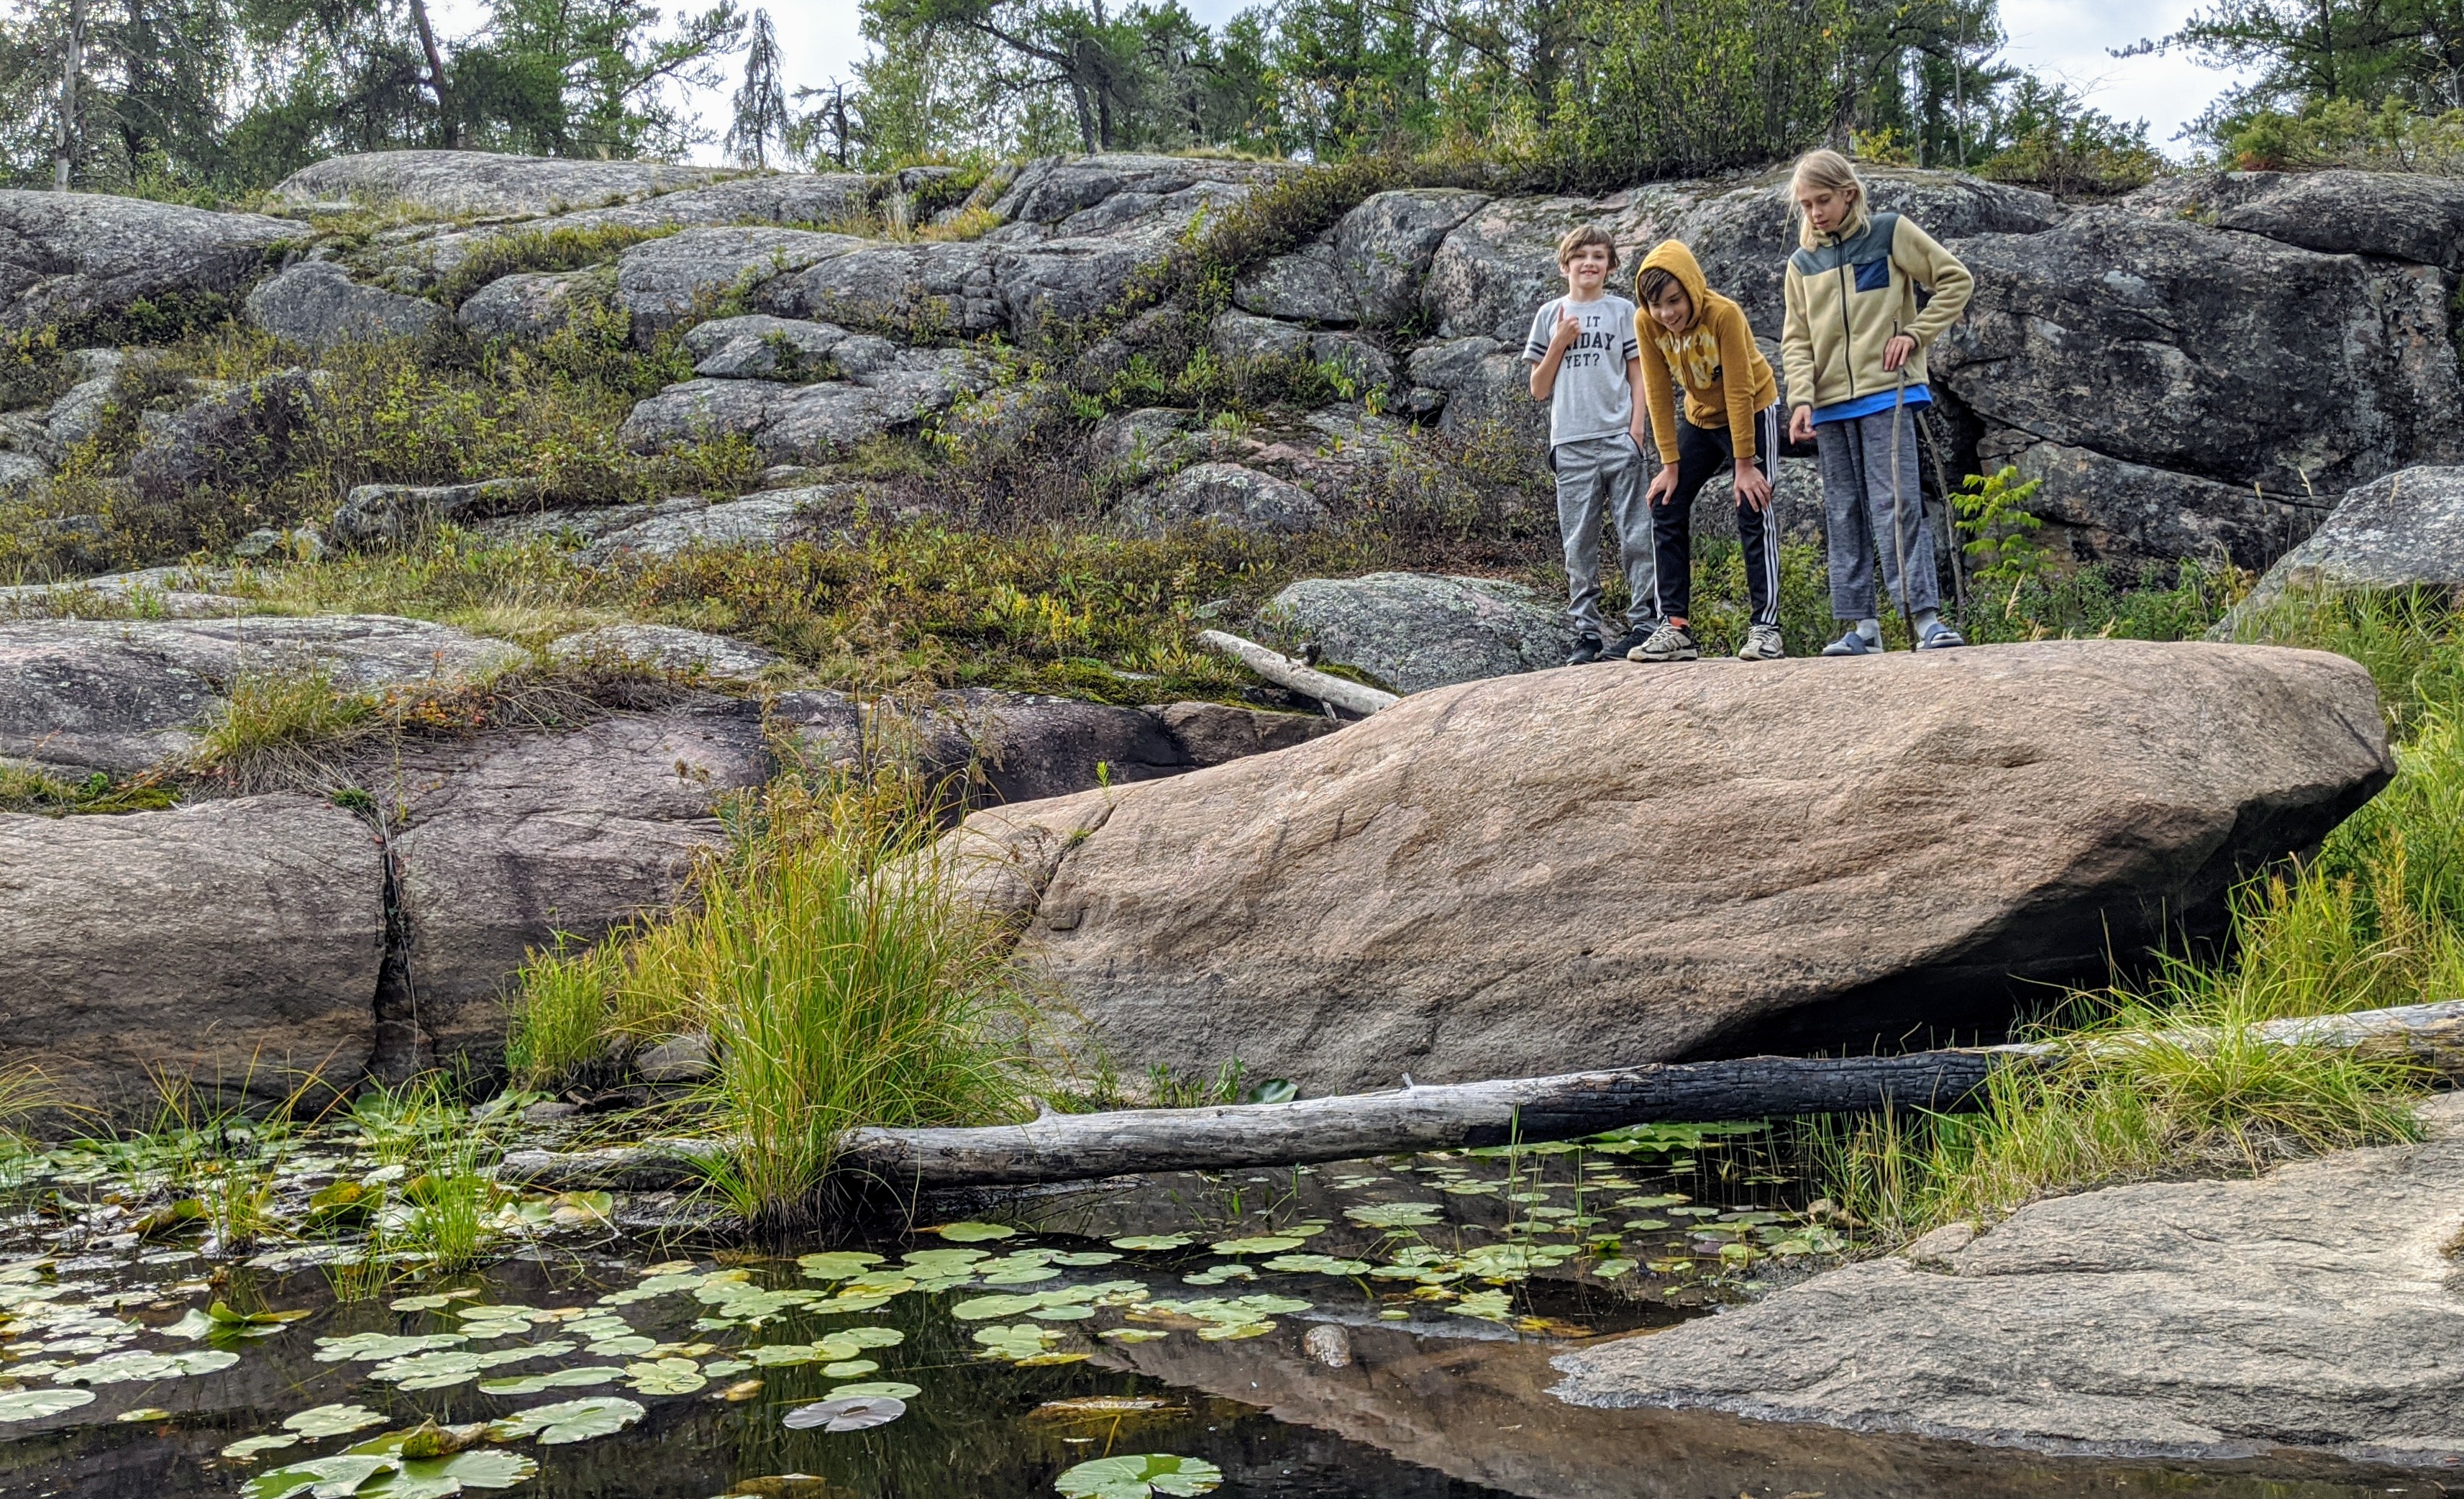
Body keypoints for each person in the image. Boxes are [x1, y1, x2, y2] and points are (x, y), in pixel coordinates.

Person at [1780, 148, 1974, 655]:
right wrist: (1800, 398)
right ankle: (1862, 628)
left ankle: (1925, 621)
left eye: (1823, 200)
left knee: (1899, 505)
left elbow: (1956, 280)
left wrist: (1916, 333)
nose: (1815, 212)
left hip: (1887, 393)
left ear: (1849, 193)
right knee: (1843, 512)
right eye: (1806, 205)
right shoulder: (1801, 264)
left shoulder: (1890, 232)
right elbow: (1796, 339)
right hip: (1828, 405)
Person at [1625, 240, 1785, 662]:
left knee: (1754, 505)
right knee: (1666, 503)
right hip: (1700, 418)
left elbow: (1739, 389)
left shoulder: (1723, 315)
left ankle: (1766, 628)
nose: (1667, 314)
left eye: (1675, 301)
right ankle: (1675, 627)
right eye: (1657, 305)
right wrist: (1670, 466)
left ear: (1692, 290)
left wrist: (1745, 465)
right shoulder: (1647, 323)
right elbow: (1658, 393)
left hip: (1751, 409)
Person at [1525, 224, 1656, 665]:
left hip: (1619, 439)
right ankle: (1587, 632)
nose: (1589, 263)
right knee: (1578, 544)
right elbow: (1538, 388)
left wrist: (1636, 432)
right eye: (1580, 255)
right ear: (1565, 265)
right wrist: (1559, 343)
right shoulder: (1550, 315)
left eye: (1599, 256)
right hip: (1572, 443)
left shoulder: (1623, 311)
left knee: (1637, 534)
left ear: (1610, 265)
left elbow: (1640, 376)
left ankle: (1645, 623)